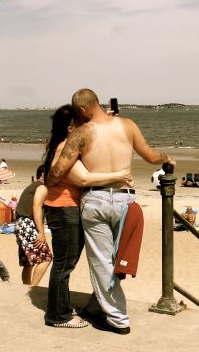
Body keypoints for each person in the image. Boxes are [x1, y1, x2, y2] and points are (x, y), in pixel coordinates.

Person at [46, 89, 174, 335]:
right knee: (117, 260)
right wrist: (168, 157)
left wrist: (48, 182)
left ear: (82, 111)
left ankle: (117, 319)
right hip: (126, 201)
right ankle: (99, 308)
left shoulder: (82, 133)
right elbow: (151, 156)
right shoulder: (128, 124)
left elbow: (59, 170)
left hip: (96, 199)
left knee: (102, 263)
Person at [39, 103, 132, 330]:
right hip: (64, 210)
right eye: (83, 124)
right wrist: (119, 175)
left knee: (67, 262)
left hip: (68, 208)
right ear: (72, 129)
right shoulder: (64, 149)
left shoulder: (66, 144)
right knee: (64, 264)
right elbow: (83, 179)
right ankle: (58, 315)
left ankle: (65, 306)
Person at [14, 165, 52, 286]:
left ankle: (26, 287)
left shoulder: (32, 186)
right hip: (28, 223)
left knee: (28, 262)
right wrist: (41, 232)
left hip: (20, 223)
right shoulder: (41, 187)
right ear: (43, 175)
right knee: (46, 258)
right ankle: (33, 287)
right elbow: (36, 209)